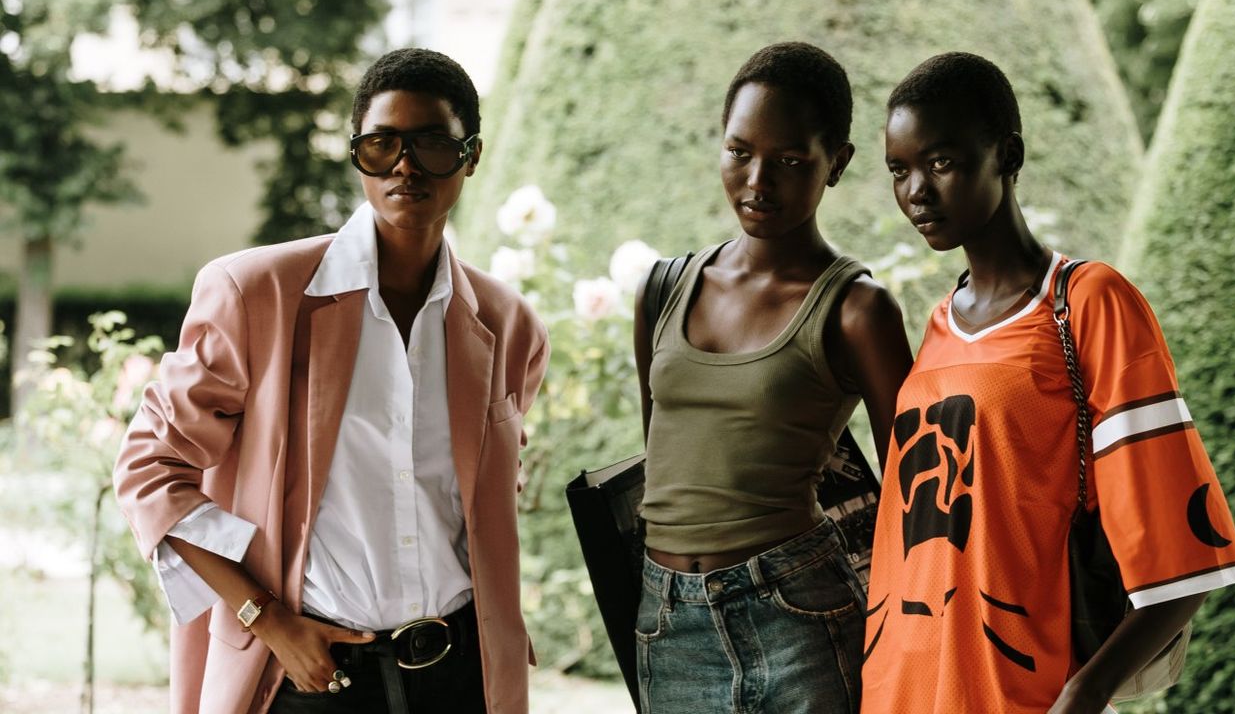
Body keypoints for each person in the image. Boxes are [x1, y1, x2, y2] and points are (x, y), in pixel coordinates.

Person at [113, 48, 548, 714]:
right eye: (382, 144)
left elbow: (487, 496)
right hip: (310, 674)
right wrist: (265, 617)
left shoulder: (507, 322)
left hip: (462, 675)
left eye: (431, 143)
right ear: (357, 156)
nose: (405, 165)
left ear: (471, 155)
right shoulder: (257, 296)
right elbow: (150, 472)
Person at [861, 51, 1235, 713]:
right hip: (896, 689)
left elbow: (1187, 554)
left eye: (942, 161)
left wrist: (1086, 690)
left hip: (1015, 691)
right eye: (899, 170)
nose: (916, 192)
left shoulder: (1090, 303)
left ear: (1007, 154)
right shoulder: (936, 326)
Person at [632, 42, 915, 713]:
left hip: (797, 614)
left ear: (837, 164)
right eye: (739, 152)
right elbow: (662, 464)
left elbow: (915, 495)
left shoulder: (857, 310)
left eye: (789, 161)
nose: (758, 181)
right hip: (666, 624)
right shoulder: (663, 289)